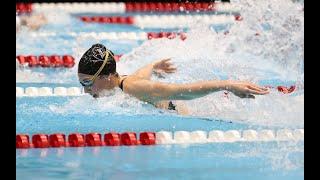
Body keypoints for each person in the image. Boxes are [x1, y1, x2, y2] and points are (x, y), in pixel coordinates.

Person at [78, 44, 269, 115]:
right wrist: (153, 65)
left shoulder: (133, 87)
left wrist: (228, 85)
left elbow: (182, 91)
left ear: (106, 76)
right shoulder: (124, 82)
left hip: (192, 114)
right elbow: (140, 76)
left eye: (87, 83)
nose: (85, 90)